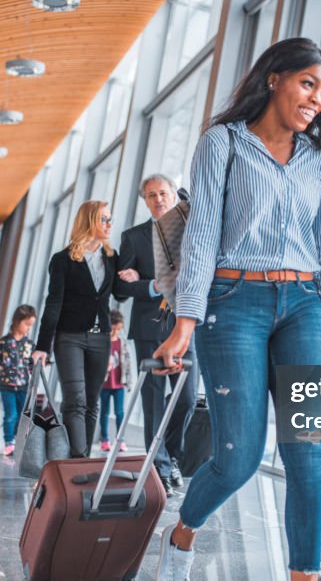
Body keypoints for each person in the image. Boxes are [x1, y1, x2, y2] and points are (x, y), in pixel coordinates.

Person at [152, 38, 321, 581]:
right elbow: (203, 236)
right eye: (308, 84)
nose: (317, 100)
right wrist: (185, 321)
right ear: (274, 78)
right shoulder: (223, 144)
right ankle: (182, 535)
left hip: (303, 308)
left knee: (308, 460)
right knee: (238, 458)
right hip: (233, 303)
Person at [114, 174, 199, 496]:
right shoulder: (134, 238)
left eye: (163, 192)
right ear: (145, 201)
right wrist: (150, 285)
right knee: (152, 400)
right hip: (150, 326)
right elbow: (120, 289)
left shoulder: (192, 230)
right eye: (151, 195)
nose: (159, 199)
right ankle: (159, 468)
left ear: (172, 196)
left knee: (187, 397)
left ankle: (171, 456)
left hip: (187, 324)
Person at [32, 201, 121, 458]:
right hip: (69, 337)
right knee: (75, 400)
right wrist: (41, 347)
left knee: (92, 401)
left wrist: (147, 284)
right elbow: (53, 303)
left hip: (100, 337)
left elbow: (121, 294)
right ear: (89, 221)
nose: (109, 224)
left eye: (110, 218)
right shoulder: (62, 260)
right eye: (104, 219)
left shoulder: (111, 258)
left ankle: (82, 458)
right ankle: (78, 460)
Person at [0, 304, 37, 458]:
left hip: (23, 386)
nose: (28, 328)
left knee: (22, 416)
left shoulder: (29, 344)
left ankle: (17, 439)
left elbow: (32, 365)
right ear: (17, 321)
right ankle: (9, 442)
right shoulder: (3, 343)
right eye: (27, 324)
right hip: (6, 386)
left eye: (31, 326)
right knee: (10, 415)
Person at [98, 310, 132, 453]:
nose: (116, 331)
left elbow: (128, 363)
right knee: (104, 412)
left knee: (120, 413)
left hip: (118, 384)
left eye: (119, 329)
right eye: (114, 328)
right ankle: (104, 440)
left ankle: (120, 440)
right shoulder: (102, 342)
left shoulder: (122, 343)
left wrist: (129, 382)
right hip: (104, 384)